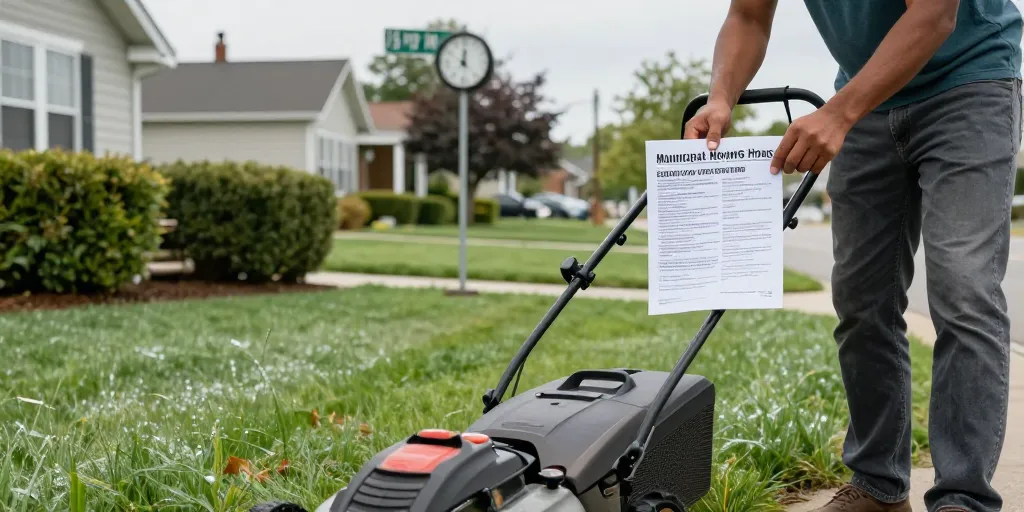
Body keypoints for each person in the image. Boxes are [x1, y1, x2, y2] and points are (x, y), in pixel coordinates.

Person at [684, 1, 1021, 511]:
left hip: (968, 82)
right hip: (867, 98)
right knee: (862, 299)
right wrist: (721, 97)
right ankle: (879, 488)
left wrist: (838, 113)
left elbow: (934, 14)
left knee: (963, 288)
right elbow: (748, 17)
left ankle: (963, 499)